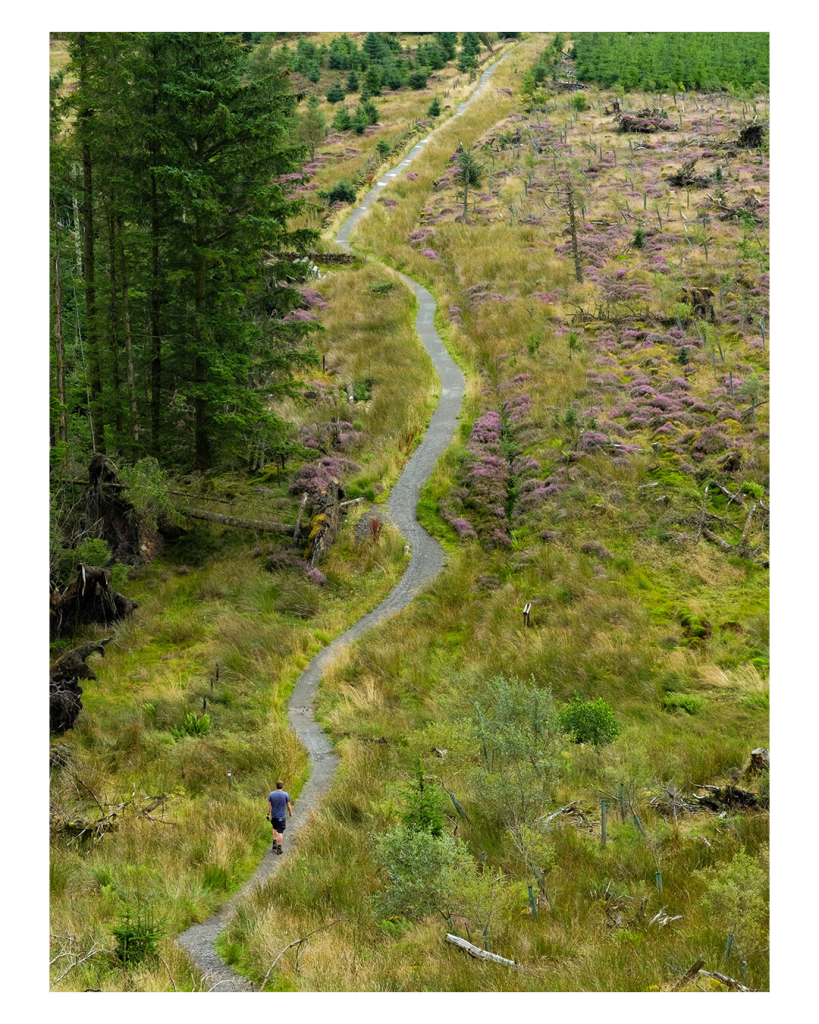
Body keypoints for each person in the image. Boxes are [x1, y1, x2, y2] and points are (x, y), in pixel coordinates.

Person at [266, 781, 293, 855]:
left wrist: (268, 814)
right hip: (281, 816)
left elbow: (269, 806)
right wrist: (290, 812)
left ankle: (274, 842)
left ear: (276, 786)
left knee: (274, 828)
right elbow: (288, 805)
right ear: (282, 786)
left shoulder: (271, 794)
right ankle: (279, 848)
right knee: (280, 831)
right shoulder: (285, 795)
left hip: (274, 816)